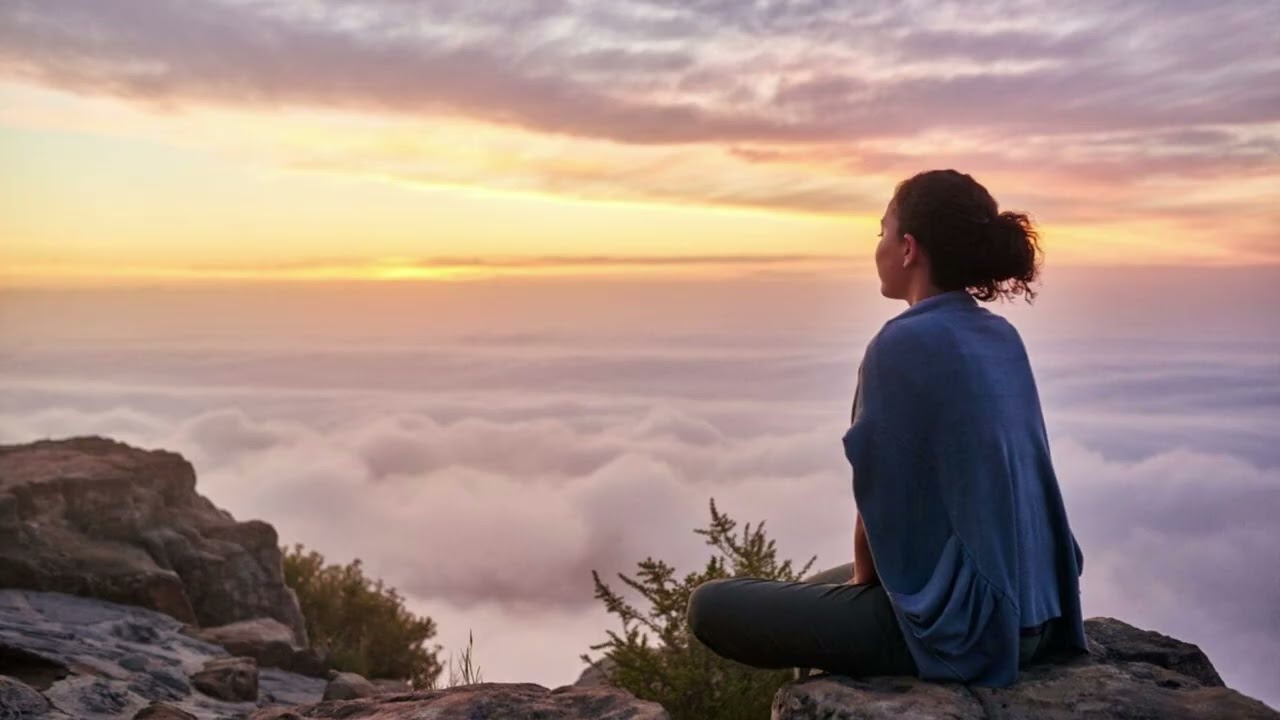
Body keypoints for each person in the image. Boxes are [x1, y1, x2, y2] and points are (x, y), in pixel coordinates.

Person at [685, 169, 1089, 688]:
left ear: (908, 249)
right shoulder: (999, 335)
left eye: (882, 232)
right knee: (809, 589)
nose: (877, 246)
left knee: (712, 606)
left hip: (975, 630)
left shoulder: (902, 345)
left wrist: (867, 589)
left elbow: (881, 508)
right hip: (1039, 609)